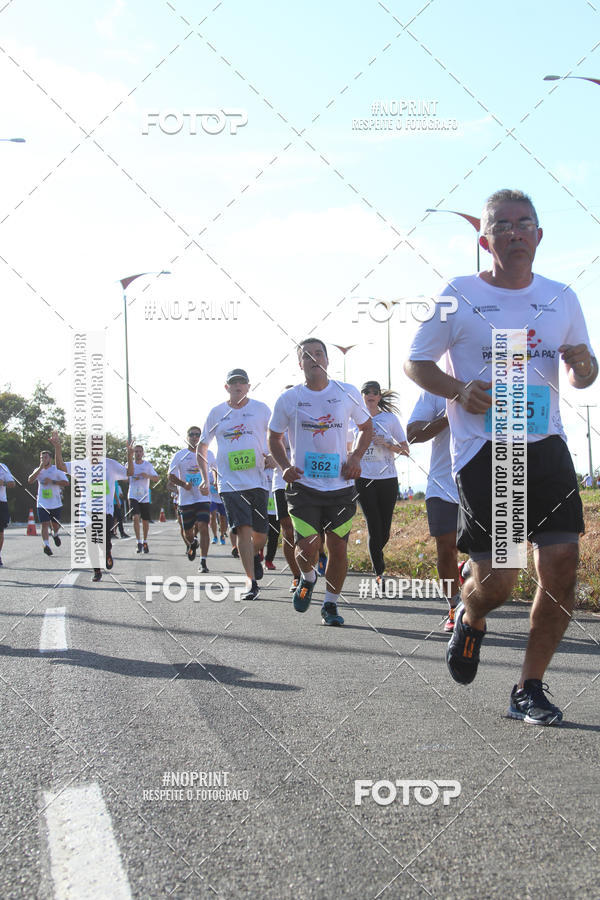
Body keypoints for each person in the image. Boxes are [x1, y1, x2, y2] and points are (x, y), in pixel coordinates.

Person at [405, 188, 597, 725]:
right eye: (502, 225)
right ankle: (471, 615)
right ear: (485, 238)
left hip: (548, 445)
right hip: (490, 452)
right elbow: (417, 363)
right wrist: (459, 387)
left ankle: (528, 687)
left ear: (539, 235)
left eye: (524, 223)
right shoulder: (459, 294)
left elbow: (584, 372)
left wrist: (584, 365)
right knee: (501, 582)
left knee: (560, 565)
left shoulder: (562, 297)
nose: (514, 232)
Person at [268, 338, 373, 626]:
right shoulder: (288, 399)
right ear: (299, 364)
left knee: (338, 547)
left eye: (318, 353)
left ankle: (330, 605)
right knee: (308, 545)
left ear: (327, 360)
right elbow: (273, 437)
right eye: (307, 355)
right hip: (304, 487)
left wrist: (355, 458)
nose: (313, 358)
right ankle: (307, 576)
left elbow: (367, 428)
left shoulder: (346, 392)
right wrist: (285, 466)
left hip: (341, 487)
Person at [198, 369, 273, 601]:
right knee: (243, 529)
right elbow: (202, 447)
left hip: (259, 480)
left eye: (242, 382)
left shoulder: (261, 409)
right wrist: (205, 477)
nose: (238, 386)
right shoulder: (217, 412)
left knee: (261, 534)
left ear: (249, 386)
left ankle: (254, 554)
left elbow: (276, 435)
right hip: (230, 483)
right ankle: (251, 581)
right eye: (233, 383)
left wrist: (272, 455)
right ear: (226, 387)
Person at [407, 390, 461, 631]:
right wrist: (451, 414)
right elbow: (413, 434)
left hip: (489, 483)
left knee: (495, 555)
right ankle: (454, 606)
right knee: (446, 548)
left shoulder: (498, 378)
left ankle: (467, 570)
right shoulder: (435, 388)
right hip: (443, 484)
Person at [53, 433, 130, 582]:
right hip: (86, 510)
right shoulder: (81, 465)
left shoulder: (111, 464)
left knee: (105, 541)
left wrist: (130, 456)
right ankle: (97, 570)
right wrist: (57, 447)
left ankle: (107, 552)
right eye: (92, 445)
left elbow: (129, 473)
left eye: (99, 445)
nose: (96, 448)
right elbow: (61, 466)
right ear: (87, 447)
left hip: (105, 510)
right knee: (91, 540)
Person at [354, 381, 409, 586]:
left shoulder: (389, 419)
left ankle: (376, 555)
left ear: (379, 397)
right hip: (363, 478)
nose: (370, 395)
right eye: (366, 392)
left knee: (384, 530)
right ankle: (379, 572)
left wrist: (386, 444)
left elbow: (405, 449)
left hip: (387, 478)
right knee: (374, 526)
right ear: (361, 395)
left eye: (375, 392)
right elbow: (344, 448)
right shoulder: (352, 419)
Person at [168, 427, 211, 571]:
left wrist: (215, 483)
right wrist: (183, 484)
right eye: (191, 434)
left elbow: (217, 470)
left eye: (197, 435)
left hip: (203, 498)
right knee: (187, 532)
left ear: (201, 437)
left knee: (204, 526)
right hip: (186, 500)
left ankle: (203, 562)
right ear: (187, 437)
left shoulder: (208, 453)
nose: (194, 437)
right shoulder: (179, 455)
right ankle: (192, 543)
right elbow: (170, 476)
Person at [28, 449, 69, 556]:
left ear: (50, 459)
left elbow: (66, 482)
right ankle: (46, 545)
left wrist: (52, 481)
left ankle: (55, 534)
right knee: (44, 523)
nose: (43, 459)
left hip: (55, 502)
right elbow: (30, 480)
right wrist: (40, 468)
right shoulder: (38, 470)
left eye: (45, 457)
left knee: (55, 525)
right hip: (42, 502)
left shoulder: (57, 470)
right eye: (41, 458)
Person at [127, 444, 159, 553]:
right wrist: (131, 477)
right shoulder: (129, 464)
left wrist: (147, 476)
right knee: (135, 517)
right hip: (133, 495)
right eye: (136, 451)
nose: (138, 453)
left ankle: (145, 541)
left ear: (143, 453)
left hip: (144, 497)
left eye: (140, 451)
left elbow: (157, 478)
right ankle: (138, 542)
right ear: (133, 453)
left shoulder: (148, 466)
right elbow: (123, 478)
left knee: (145, 520)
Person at [0, 461, 16, 567]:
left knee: (0, 532)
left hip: (1, 502)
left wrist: (3, 483)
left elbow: (12, 483)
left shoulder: (2, 467)